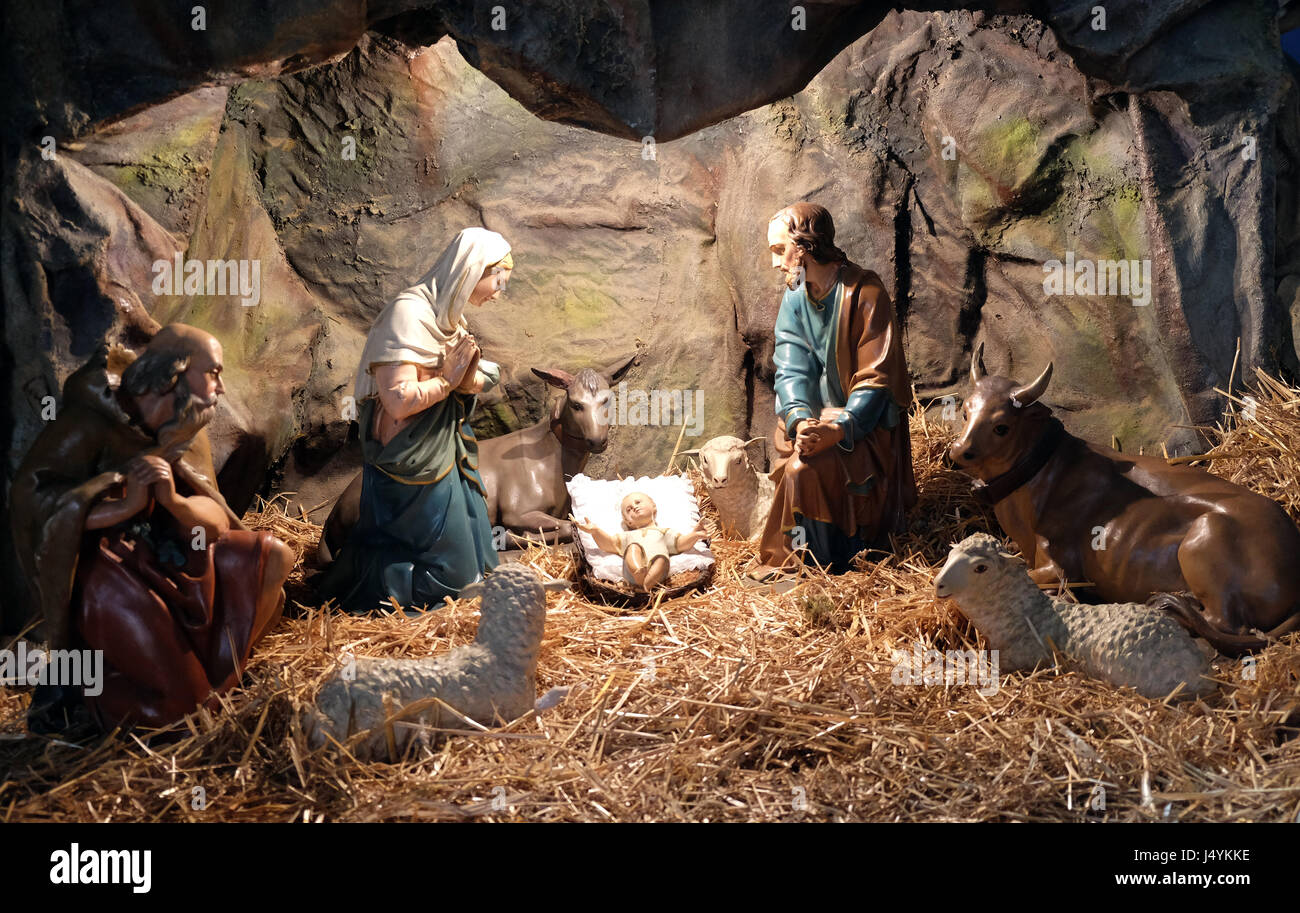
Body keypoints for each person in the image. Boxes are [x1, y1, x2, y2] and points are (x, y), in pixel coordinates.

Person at [10, 324, 294, 731]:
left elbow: (211, 517)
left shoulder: (185, 427)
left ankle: (216, 688)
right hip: (110, 573)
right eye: (213, 372)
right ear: (174, 375)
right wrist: (122, 505)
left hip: (173, 555)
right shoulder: (91, 421)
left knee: (272, 557)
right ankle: (117, 705)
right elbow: (32, 500)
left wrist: (174, 503)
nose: (222, 387)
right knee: (176, 712)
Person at [317, 227, 511, 611]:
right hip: (411, 463)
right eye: (498, 279)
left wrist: (473, 378)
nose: (499, 290)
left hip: (440, 453)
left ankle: (456, 592)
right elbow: (399, 402)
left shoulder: (451, 320)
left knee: (475, 554)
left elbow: (453, 378)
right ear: (472, 270)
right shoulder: (408, 314)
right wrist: (450, 381)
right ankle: (371, 580)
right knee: (450, 575)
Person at [748, 202, 918, 581]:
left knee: (801, 470)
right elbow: (791, 367)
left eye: (779, 250)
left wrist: (839, 429)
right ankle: (813, 560)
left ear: (804, 247)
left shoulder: (866, 292)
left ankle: (826, 562)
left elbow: (876, 377)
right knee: (798, 458)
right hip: (818, 422)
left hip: (866, 428)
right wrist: (800, 420)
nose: (776, 263)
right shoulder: (795, 297)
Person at [574, 492, 708, 592]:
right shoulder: (627, 536)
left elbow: (680, 543)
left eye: (638, 502)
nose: (634, 507)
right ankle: (639, 574)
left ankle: (646, 585)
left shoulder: (663, 532)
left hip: (658, 572)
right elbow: (608, 544)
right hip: (632, 573)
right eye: (629, 509)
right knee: (633, 547)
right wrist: (595, 531)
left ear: (653, 507)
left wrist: (694, 535)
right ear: (628, 521)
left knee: (661, 558)